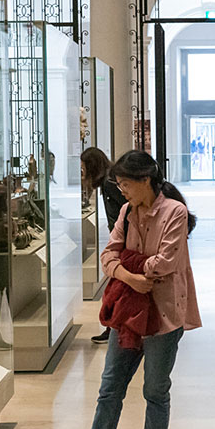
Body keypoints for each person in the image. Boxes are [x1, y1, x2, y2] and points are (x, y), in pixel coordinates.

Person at [54, 150, 200, 429]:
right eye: (118, 185)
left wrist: (126, 266)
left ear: (145, 180)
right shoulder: (126, 211)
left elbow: (165, 262)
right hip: (130, 313)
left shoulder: (174, 211)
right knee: (109, 388)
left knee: (155, 390)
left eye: (126, 184)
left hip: (163, 314)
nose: (122, 191)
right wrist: (131, 275)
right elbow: (109, 254)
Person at [81, 147, 129, 345]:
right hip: (122, 239)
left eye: (84, 169)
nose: (82, 173)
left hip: (124, 241)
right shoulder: (109, 181)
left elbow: (126, 208)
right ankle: (114, 327)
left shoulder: (110, 183)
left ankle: (114, 327)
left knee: (117, 286)